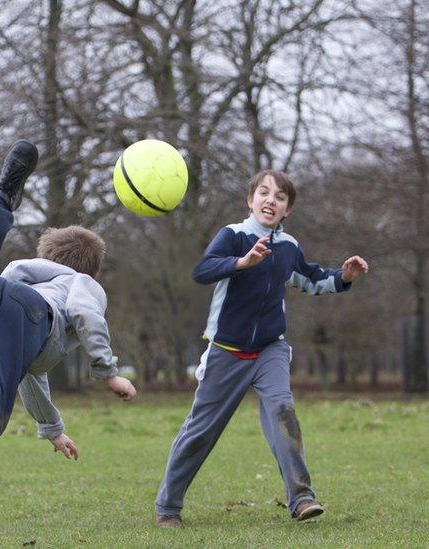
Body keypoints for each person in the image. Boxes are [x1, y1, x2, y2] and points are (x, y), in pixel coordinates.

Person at [0, 140, 136, 498]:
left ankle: (1, 198)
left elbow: (30, 377)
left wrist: (52, 428)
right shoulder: (82, 283)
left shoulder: (32, 272)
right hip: (29, 311)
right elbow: (84, 313)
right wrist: (108, 372)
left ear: (47, 258)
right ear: (93, 272)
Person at [154, 169, 369, 526]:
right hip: (227, 350)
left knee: (283, 410)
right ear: (250, 200)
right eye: (264, 193)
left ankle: (301, 498)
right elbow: (202, 270)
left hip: (271, 349)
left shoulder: (288, 246)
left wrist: (344, 276)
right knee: (201, 431)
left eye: (280, 197)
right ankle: (168, 507)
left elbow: (311, 279)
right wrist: (242, 262)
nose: (271, 200)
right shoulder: (233, 236)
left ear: (287, 210)